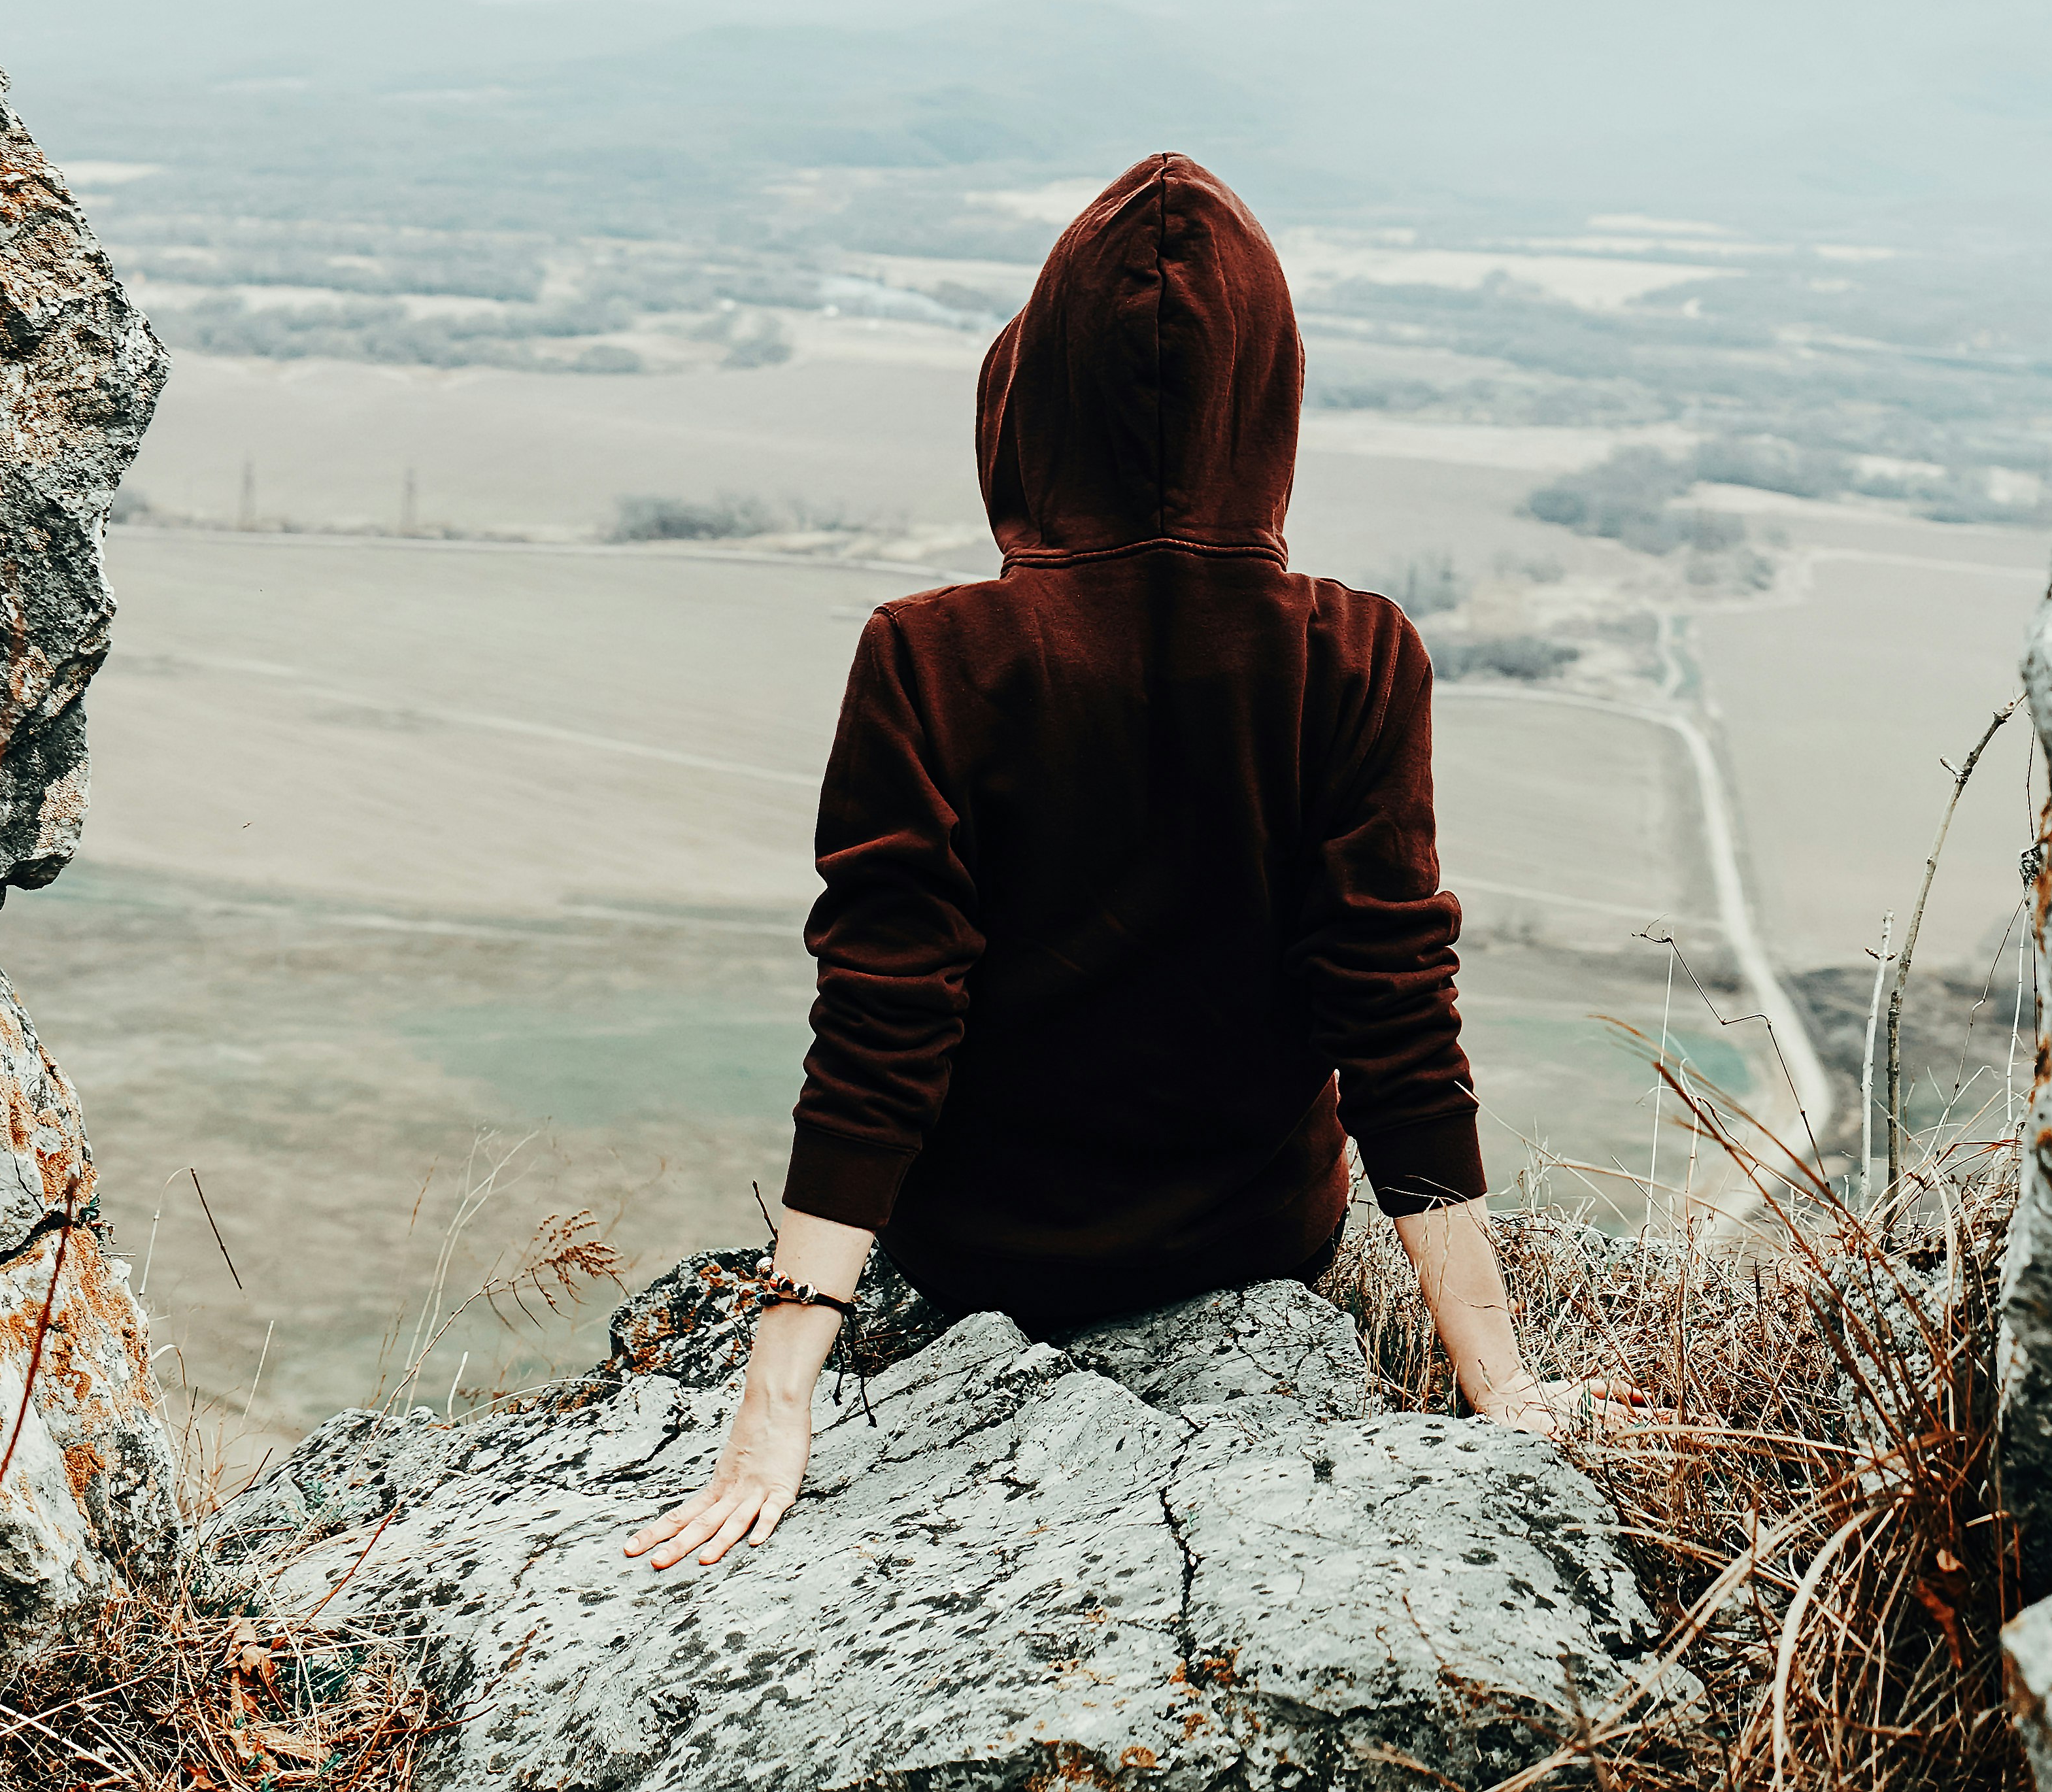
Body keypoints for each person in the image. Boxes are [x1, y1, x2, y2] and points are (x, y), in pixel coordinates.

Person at [627, 152, 1591, 1572]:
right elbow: (1395, 1016)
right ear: (1269, 401)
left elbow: (883, 1021)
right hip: (1253, 1240)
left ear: (1038, 399)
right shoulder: (1356, 651)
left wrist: (781, 1399)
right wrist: (1498, 1382)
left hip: (981, 1257)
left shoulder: (930, 654)